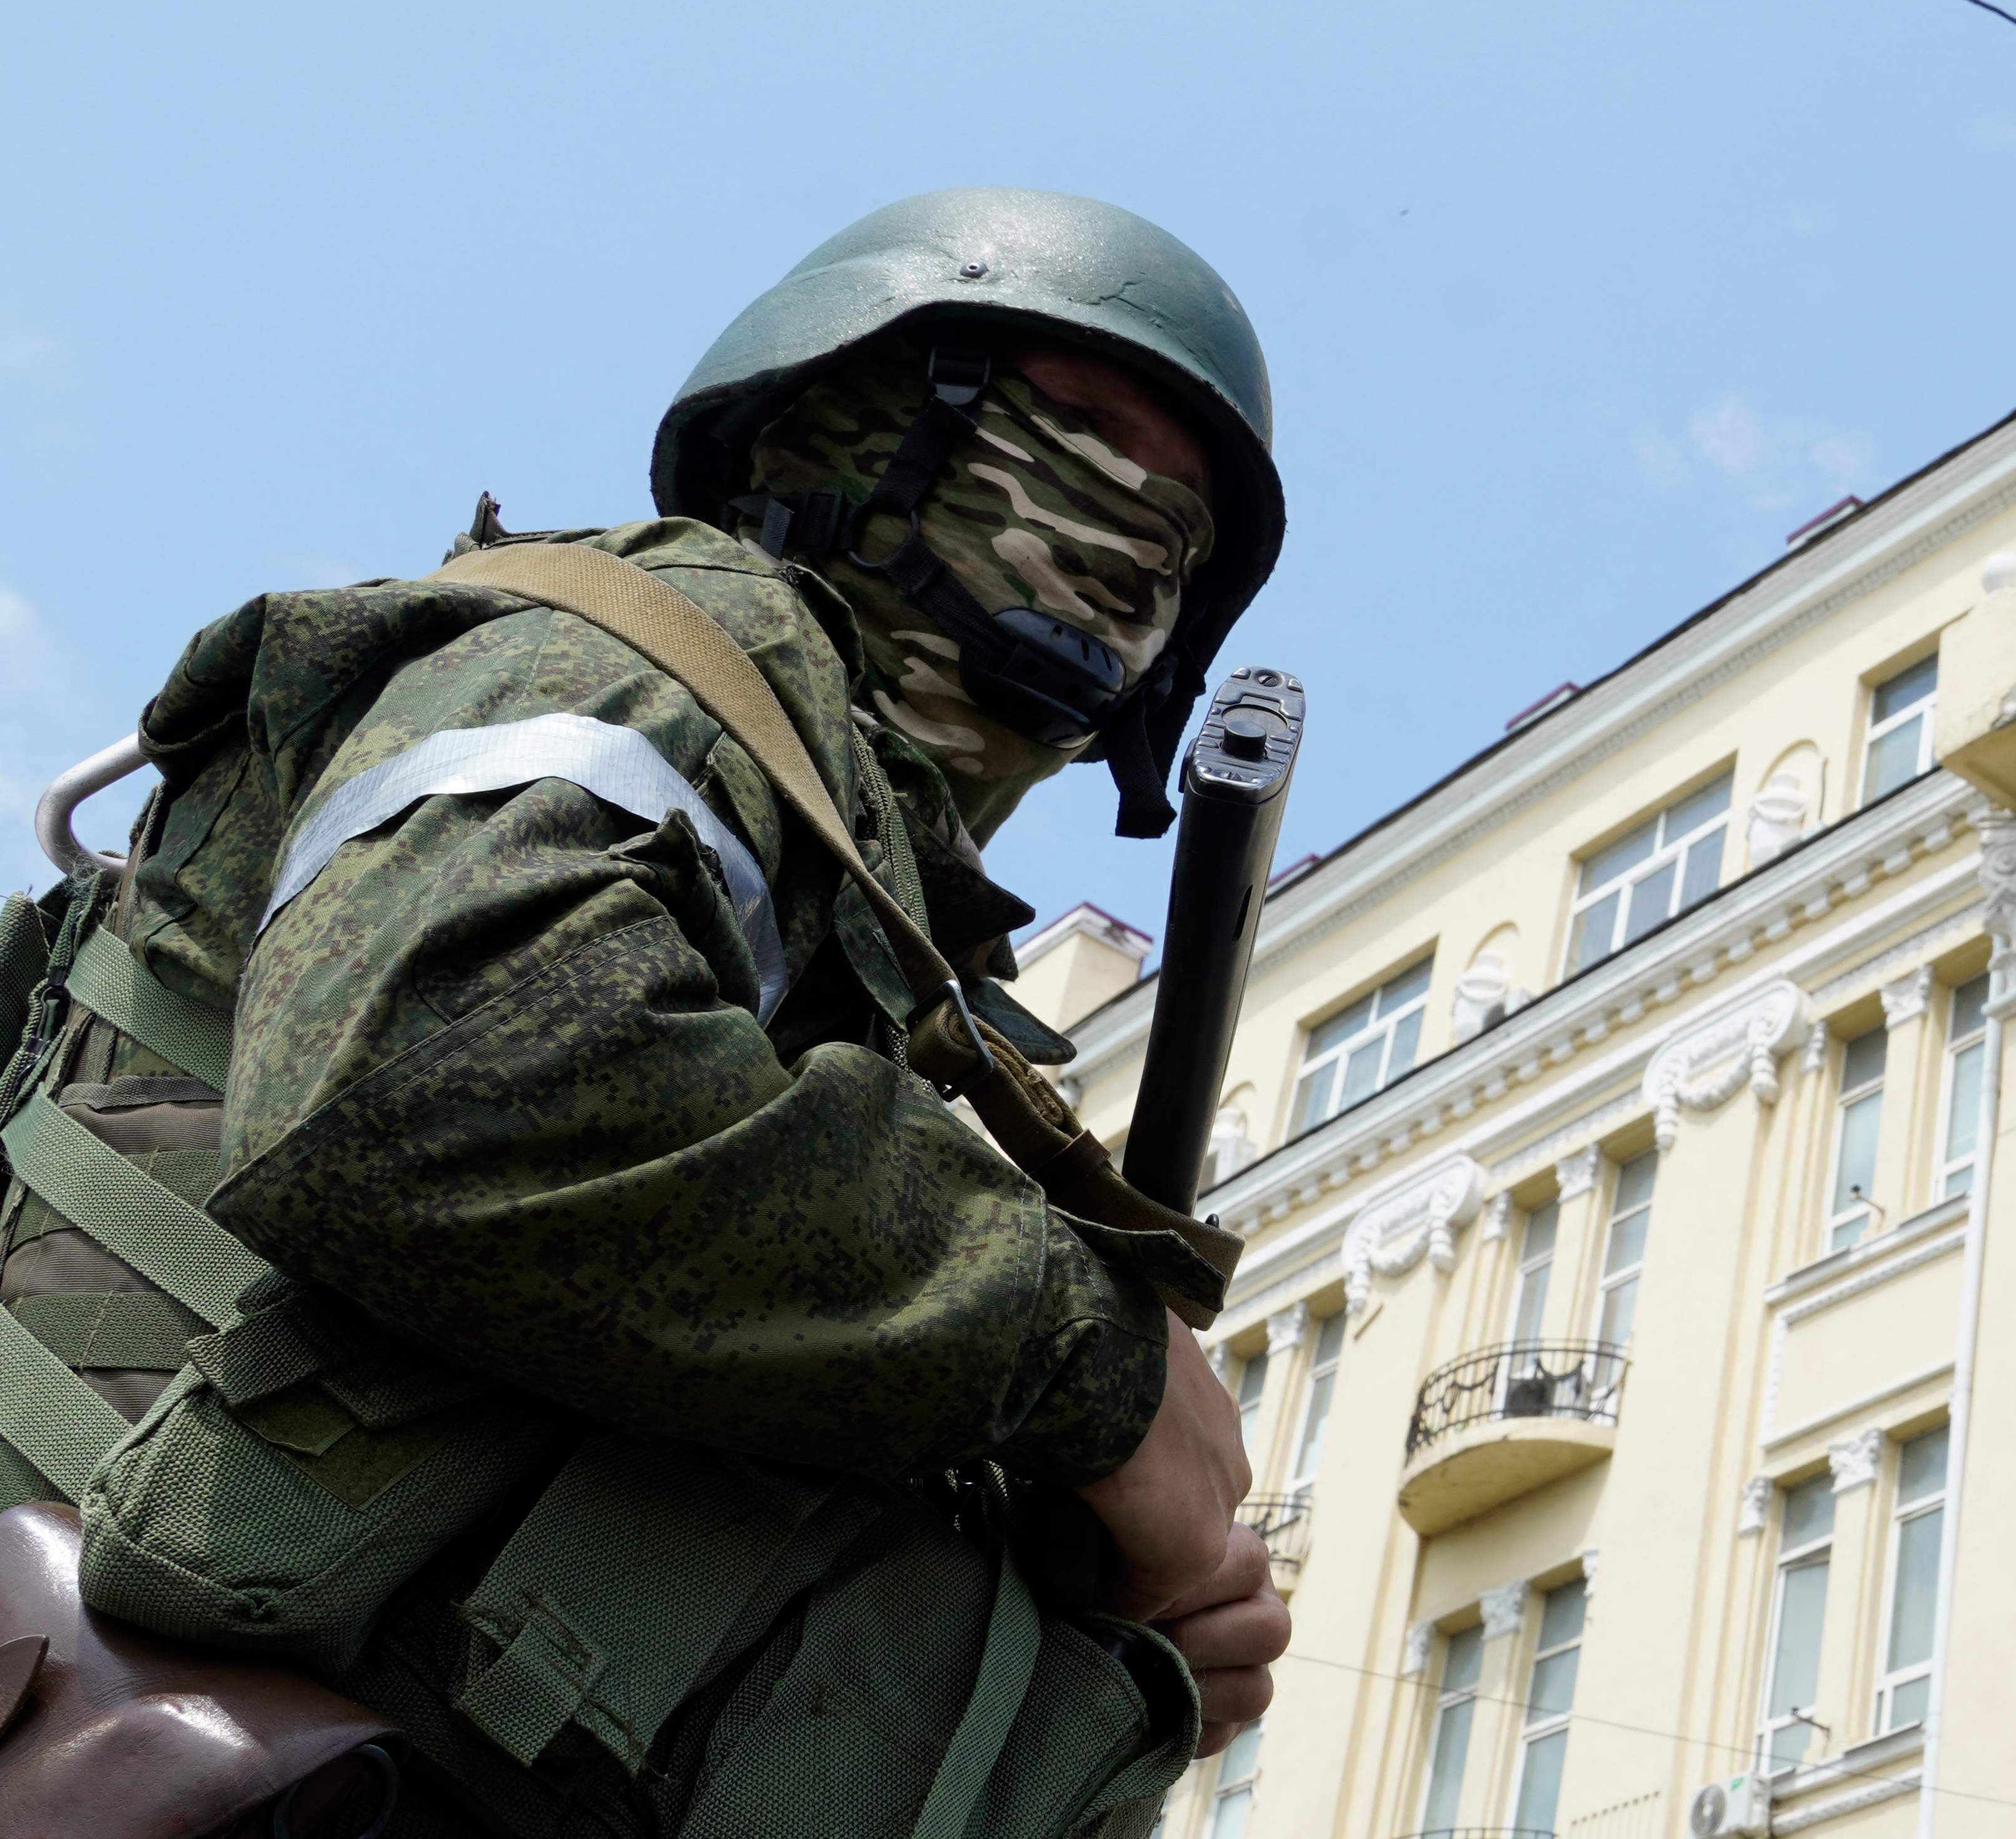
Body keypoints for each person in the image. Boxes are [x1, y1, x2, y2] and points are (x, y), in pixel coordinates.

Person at [3, 190, 1294, 1836]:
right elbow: (445, 1079)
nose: (1120, 530)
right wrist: (1086, 1362)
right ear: (834, 415)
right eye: (1072, 429)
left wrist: (1095, 1611)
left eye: (1179, 532)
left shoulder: (900, 995)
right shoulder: (654, 648)